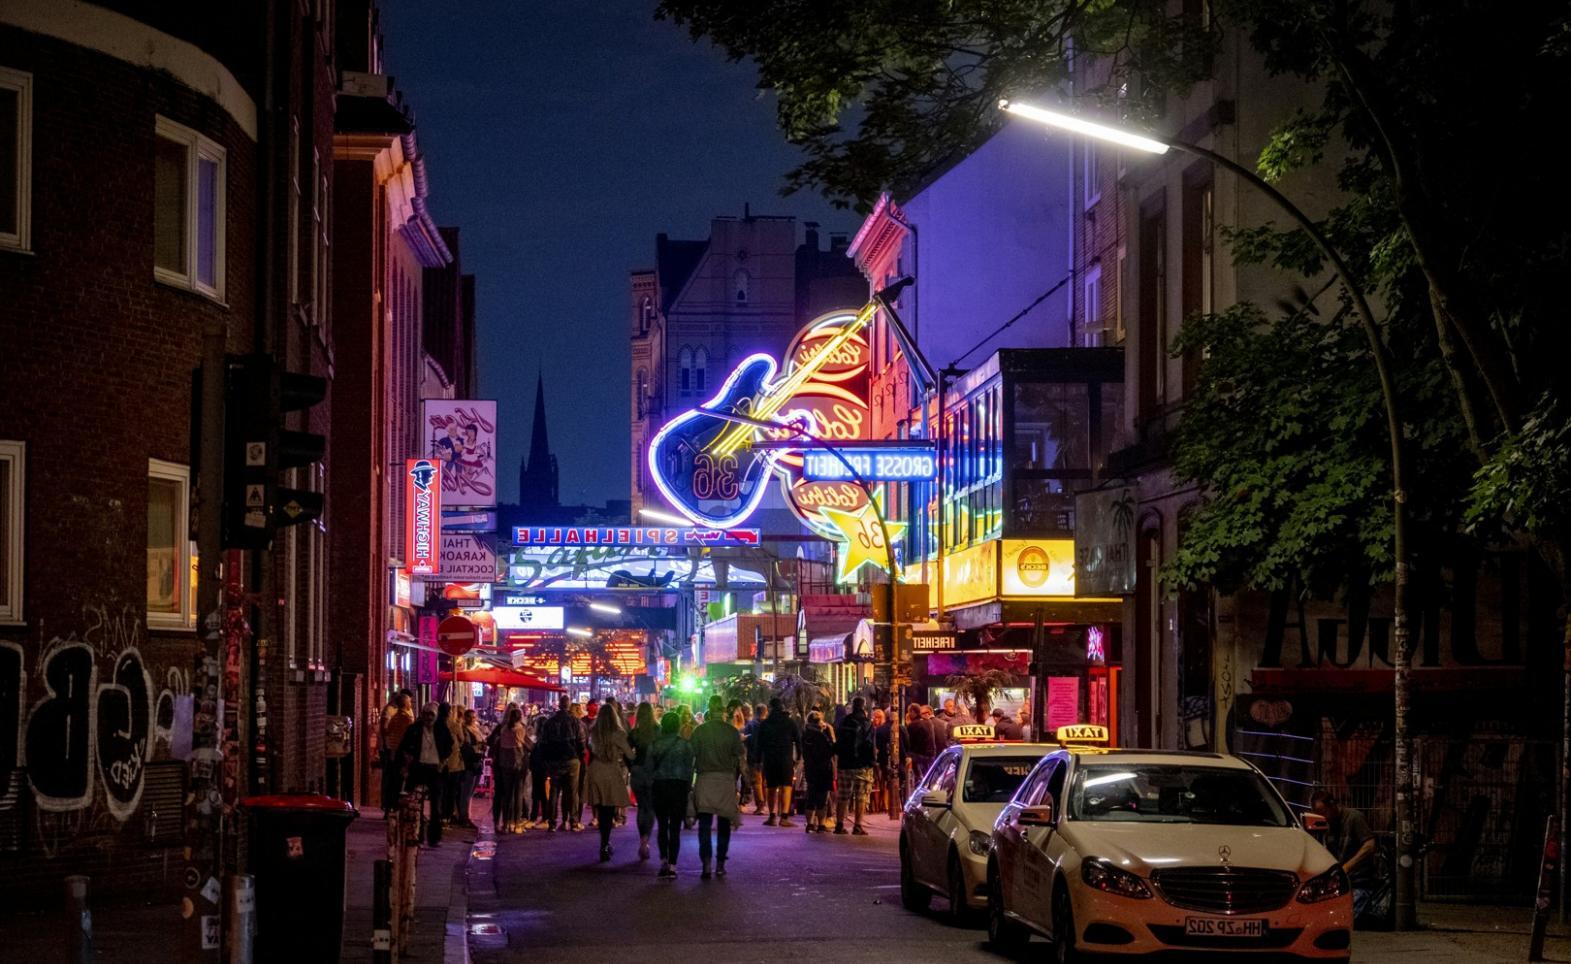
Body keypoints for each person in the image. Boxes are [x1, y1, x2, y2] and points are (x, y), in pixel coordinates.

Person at [689, 695, 745, 878]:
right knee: (724, 823)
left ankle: (706, 863)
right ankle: (720, 863)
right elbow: (739, 756)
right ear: (722, 710)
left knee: (704, 824)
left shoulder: (700, 731)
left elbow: (692, 756)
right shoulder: (731, 732)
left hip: (705, 779)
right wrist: (746, 782)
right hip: (725, 780)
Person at [1311, 789, 1378, 921]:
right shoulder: (1327, 825)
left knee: (1344, 918)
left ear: (1332, 804)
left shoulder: (1354, 818)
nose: (1323, 817)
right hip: (1340, 884)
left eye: (1323, 812)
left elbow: (1370, 845)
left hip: (1359, 882)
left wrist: (1347, 867)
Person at [397, 703, 452, 847]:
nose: (428, 717)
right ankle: (418, 836)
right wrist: (406, 762)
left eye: (431, 714)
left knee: (436, 805)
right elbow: (404, 746)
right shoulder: (414, 729)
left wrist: (443, 761)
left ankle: (434, 838)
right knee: (416, 805)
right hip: (418, 768)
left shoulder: (441, 729)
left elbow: (449, 746)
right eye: (426, 714)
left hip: (435, 769)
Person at [586, 699, 635, 862]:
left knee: (601, 809)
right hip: (611, 770)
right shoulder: (618, 733)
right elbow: (629, 754)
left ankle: (604, 843)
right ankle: (605, 844)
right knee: (608, 809)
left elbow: (590, 749)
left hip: (596, 769)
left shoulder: (594, 732)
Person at [649, 711, 695, 879]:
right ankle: (673, 865)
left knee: (662, 825)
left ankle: (663, 861)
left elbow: (649, 767)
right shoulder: (685, 745)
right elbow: (690, 768)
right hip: (679, 786)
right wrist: (688, 787)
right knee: (675, 827)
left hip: (660, 785)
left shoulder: (655, 745)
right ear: (678, 726)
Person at [539, 695, 586, 832]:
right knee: (572, 791)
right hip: (572, 759)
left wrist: (546, 760)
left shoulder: (550, 722)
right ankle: (574, 821)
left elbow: (543, 743)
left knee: (554, 791)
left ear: (559, 705)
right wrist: (580, 755)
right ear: (568, 705)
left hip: (555, 760)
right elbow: (581, 741)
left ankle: (552, 822)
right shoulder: (575, 721)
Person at [834, 697, 876, 835]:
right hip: (862, 764)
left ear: (853, 706)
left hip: (844, 763)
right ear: (863, 707)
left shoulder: (844, 721)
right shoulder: (867, 723)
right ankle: (857, 825)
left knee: (843, 795)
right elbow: (870, 744)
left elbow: (838, 741)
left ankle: (839, 824)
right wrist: (872, 762)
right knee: (861, 796)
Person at [757, 697, 801, 827]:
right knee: (786, 787)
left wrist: (758, 760)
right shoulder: (790, 722)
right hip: (785, 758)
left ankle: (772, 816)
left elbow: (759, 743)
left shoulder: (765, 724)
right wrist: (798, 757)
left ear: (770, 708)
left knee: (771, 787)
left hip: (770, 759)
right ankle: (784, 817)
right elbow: (798, 740)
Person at [628, 701, 660, 860]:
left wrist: (631, 765)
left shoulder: (635, 733)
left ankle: (642, 840)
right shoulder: (658, 730)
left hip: (638, 770)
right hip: (653, 771)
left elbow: (626, 751)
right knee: (651, 807)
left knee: (642, 807)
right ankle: (646, 840)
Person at [490, 706, 528, 833]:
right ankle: (516, 823)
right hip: (518, 765)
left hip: (503, 765)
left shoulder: (502, 729)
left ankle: (503, 823)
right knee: (518, 794)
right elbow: (528, 744)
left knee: (505, 795)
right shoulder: (520, 729)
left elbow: (491, 742)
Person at [379, 690, 415, 817]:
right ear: (405, 704)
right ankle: (397, 808)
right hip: (402, 754)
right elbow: (409, 737)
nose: (411, 704)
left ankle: (390, 807)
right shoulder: (406, 719)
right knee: (401, 782)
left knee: (393, 781)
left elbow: (387, 731)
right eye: (409, 702)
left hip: (393, 752)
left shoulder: (395, 718)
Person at [800, 711, 835, 833]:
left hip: (810, 769)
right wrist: (829, 734)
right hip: (824, 769)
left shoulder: (805, 734)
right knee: (822, 798)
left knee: (811, 796)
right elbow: (831, 749)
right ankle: (821, 824)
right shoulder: (822, 735)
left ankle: (810, 824)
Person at [438, 703, 466, 828]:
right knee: (451, 790)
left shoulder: (436, 724)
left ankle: (441, 815)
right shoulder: (454, 725)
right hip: (453, 762)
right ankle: (447, 816)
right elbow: (462, 740)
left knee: (442, 790)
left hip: (439, 762)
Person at [456, 708, 485, 829]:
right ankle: (464, 817)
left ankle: (466, 815)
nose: (472, 719)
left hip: (477, 762)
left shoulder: (476, 728)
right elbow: (466, 746)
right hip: (469, 763)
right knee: (466, 792)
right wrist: (478, 747)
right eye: (470, 717)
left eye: (474, 717)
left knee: (471, 791)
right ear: (465, 717)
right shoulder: (464, 729)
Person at [527, 709, 552, 828]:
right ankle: (536, 817)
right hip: (540, 769)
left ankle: (544, 819)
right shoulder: (543, 740)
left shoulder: (542, 741)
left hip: (541, 770)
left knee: (541, 794)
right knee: (538, 794)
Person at [903, 703, 937, 786]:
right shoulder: (928, 722)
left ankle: (917, 780)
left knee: (906, 755)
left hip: (920, 756)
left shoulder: (913, 725)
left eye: (909, 712)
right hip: (931, 754)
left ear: (913, 712)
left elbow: (908, 743)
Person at [745, 703, 767, 814]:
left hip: (754, 757)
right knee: (765, 783)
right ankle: (766, 804)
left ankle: (760, 805)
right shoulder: (768, 724)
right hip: (767, 758)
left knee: (757, 782)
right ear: (765, 712)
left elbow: (746, 739)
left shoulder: (751, 725)